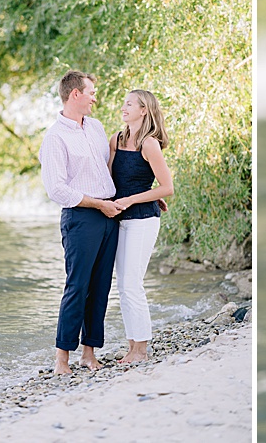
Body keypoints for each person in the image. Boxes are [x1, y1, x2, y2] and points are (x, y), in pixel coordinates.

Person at [38, 70, 123, 374]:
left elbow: (108, 170)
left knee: (101, 286)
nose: (94, 98)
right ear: (75, 94)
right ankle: (62, 359)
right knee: (78, 286)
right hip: (81, 217)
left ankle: (89, 354)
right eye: (90, 92)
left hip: (109, 215)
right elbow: (57, 189)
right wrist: (98, 204)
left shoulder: (96, 127)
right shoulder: (54, 138)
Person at [107, 89, 174, 363]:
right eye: (124, 103)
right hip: (119, 218)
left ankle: (141, 350)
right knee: (123, 286)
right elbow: (109, 180)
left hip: (143, 221)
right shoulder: (116, 139)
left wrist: (134, 199)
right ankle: (131, 346)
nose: (124, 107)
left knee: (133, 284)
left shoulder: (149, 144)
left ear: (144, 110)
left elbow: (167, 188)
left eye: (130, 104)